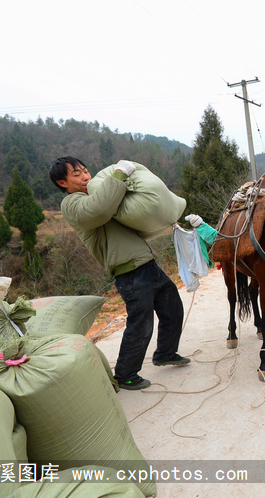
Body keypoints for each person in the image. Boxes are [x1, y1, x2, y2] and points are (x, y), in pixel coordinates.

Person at [49, 157, 190, 391]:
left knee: (172, 306)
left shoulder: (103, 193)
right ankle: (125, 374)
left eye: (86, 171)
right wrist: (118, 176)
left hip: (145, 262)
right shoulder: (73, 204)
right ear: (62, 183)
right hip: (128, 270)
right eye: (77, 174)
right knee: (140, 323)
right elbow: (99, 210)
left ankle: (165, 353)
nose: (85, 176)